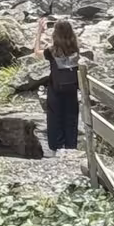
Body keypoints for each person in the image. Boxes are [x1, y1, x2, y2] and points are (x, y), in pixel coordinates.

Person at [34, 16, 83, 153]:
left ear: (55, 34)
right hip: (72, 90)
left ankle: (57, 147)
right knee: (71, 119)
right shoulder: (75, 49)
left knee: (55, 119)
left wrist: (39, 32)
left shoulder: (52, 51)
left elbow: (36, 53)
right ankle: (71, 147)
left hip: (56, 90)